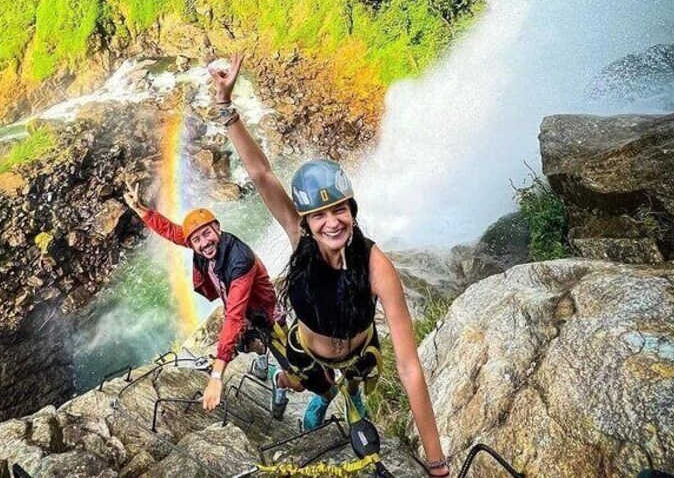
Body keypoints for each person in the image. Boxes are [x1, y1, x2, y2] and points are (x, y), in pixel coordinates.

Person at [208, 53, 451, 477]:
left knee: (355, 394)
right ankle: (286, 387)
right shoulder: (299, 238)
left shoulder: (376, 266)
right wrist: (227, 110)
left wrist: (436, 463)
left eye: (340, 209)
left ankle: (343, 396)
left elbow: (409, 366)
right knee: (304, 383)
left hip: (359, 355)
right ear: (306, 221)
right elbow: (263, 175)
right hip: (304, 350)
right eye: (320, 215)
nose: (332, 222)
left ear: (352, 210)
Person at [123, 187, 289, 417]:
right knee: (249, 344)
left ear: (218, 229)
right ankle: (261, 356)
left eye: (207, 234)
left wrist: (217, 374)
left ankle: (280, 381)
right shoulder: (200, 245)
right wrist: (142, 211)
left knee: (297, 376)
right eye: (197, 239)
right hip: (244, 315)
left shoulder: (240, 260)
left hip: (266, 315)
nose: (204, 243)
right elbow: (173, 231)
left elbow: (234, 315)